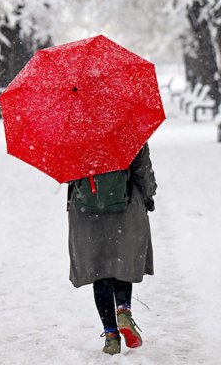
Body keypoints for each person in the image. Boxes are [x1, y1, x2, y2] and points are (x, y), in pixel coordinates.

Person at [67, 144, 157, 355]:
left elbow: (68, 173)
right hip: (125, 206)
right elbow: (143, 171)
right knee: (121, 263)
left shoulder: (73, 135)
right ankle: (123, 311)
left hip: (87, 213)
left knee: (100, 271)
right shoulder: (129, 132)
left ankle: (111, 337)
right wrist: (148, 195)